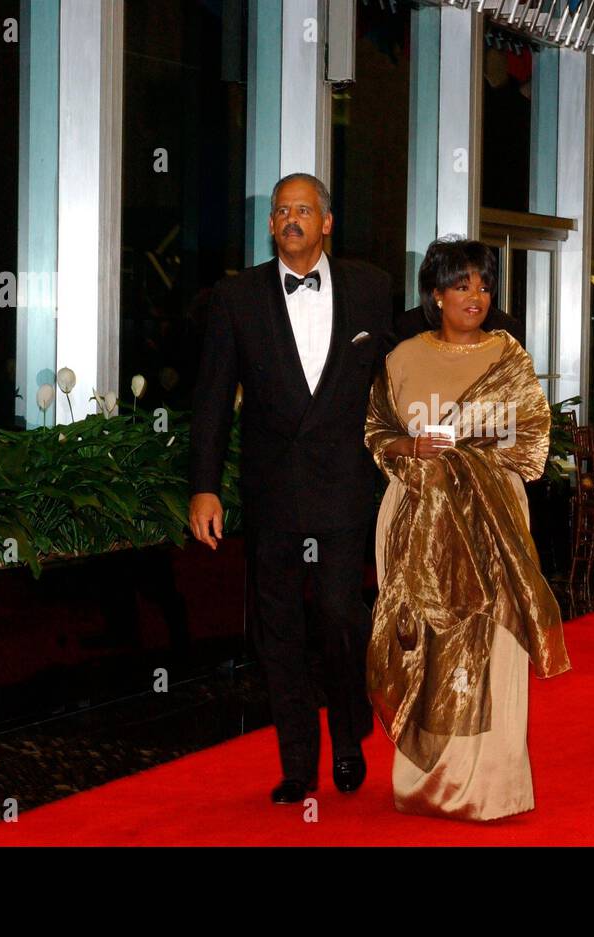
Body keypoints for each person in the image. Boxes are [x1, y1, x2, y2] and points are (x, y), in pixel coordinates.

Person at [188, 172, 395, 804]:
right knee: (275, 626)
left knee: (338, 611)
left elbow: (394, 382)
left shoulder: (372, 288)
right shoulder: (237, 298)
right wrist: (204, 486)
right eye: (281, 212)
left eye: (303, 210)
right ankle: (299, 763)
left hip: (345, 485)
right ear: (271, 224)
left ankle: (351, 731)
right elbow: (213, 398)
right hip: (272, 486)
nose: (291, 220)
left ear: (327, 222)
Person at [364, 238, 570, 821]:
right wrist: (412, 445)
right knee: (424, 644)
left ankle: (490, 788)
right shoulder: (401, 357)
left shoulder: (508, 355)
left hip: (493, 520)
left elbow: (530, 440)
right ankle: (424, 782)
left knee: (494, 644)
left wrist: (470, 451)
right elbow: (377, 433)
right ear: (436, 294)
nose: (475, 296)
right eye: (461, 285)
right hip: (414, 518)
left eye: (483, 285)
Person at [394, 237, 524, 343]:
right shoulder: (407, 334)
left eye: (484, 289)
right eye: (463, 288)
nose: (475, 297)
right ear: (438, 295)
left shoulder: (508, 343)